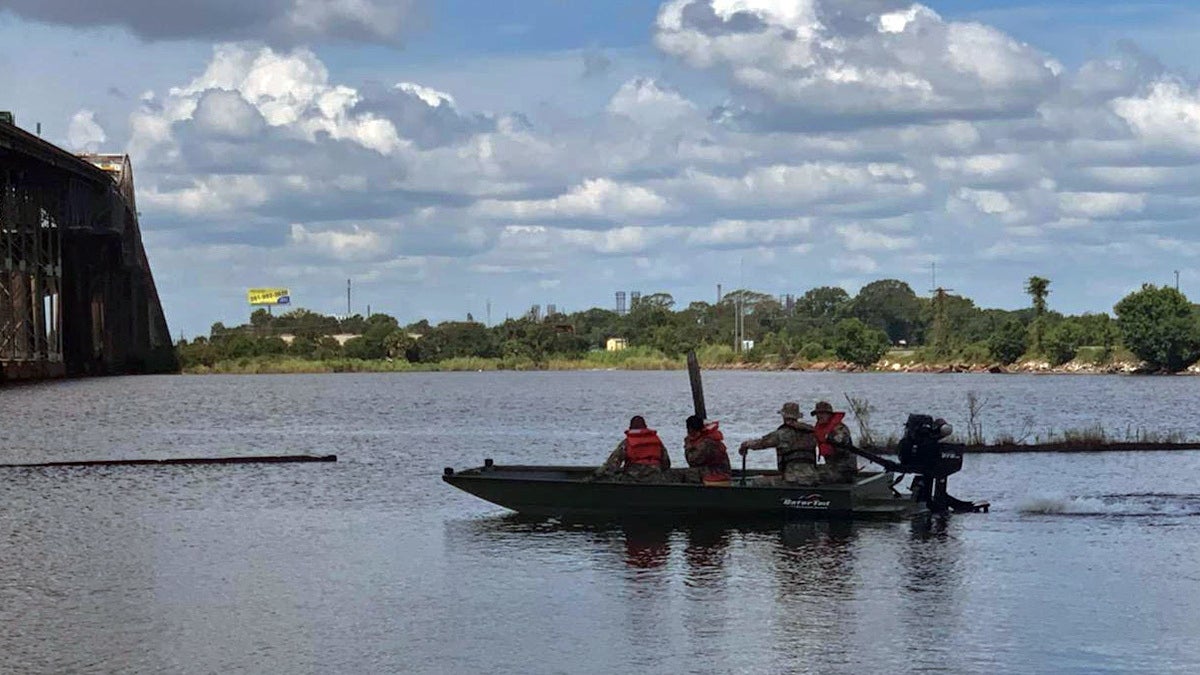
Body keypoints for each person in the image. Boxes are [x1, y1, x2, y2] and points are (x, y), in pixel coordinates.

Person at [738, 401, 819, 485]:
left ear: (783, 416)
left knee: (757, 482)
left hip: (792, 479)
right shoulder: (810, 433)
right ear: (797, 417)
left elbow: (761, 443)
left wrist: (745, 444)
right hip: (812, 477)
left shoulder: (782, 434)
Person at [595, 415, 671, 482]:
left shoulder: (627, 443)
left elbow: (612, 465)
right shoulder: (656, 442)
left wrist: (597, 475)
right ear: (645, 427)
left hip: (632, 479)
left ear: (630, 428)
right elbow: (666, 464)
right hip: (655, 479)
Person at [811, 401, 857, 484]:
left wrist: (830, 440)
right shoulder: (820, 429)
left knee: (815, 477)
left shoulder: (839, 428)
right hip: (832, 467)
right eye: (817, 414)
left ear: (829, 414)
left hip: (844, 469)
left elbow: (842, 447)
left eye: (822, 413)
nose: (819, 416)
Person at [682, 414, 732, 485]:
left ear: (691, 429)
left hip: (719, 473)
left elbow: (692, 460)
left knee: (690, 473)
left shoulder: (707, 442)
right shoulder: (705, 438)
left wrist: (688, 445)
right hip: (716, 470)